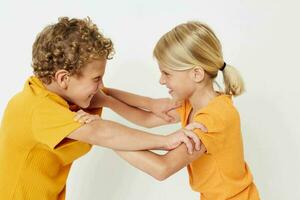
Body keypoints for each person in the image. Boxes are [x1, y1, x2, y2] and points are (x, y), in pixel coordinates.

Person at [0, 17, 203, 200]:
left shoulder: (61, 95)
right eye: (96, 78)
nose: (101, 84)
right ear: (63, 78)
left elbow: (105, 96)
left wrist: (149, 104)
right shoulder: (38, 109)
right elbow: (101, 132)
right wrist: (165, 141)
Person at [77, 21, 260, 200]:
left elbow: (162, 168)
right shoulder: (193, 103)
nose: (161, 81)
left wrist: (102, 134)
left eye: (167, 74)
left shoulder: (214, 118)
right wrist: (106, 98)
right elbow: (146, 119)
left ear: (196, 74)